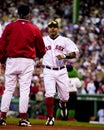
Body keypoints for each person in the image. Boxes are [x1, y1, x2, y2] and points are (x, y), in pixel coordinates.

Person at [0, 3, 45, 126]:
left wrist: (2, 61)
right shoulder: (34, 28)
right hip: (27, 61)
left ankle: (2, 117)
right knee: (24, 90)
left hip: (12, 60)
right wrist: (40, 56)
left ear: (18, 14)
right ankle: (23, 118)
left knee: (8, 89)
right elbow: (41, 47)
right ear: (28, 14)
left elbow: (2, 44)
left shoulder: (10, 27)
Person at [42, 20, 79, 125]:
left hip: (62, 70)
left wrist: (65, 56)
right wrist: (39, 59)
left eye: (55, 27)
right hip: (48, 70)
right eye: (50, 27)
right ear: (48, 29)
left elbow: (74, 54)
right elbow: (37, 52)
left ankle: (62, 105)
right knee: (49, 93)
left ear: (58, 28)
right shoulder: (43, 40)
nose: (52, 29)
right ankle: (50, 117)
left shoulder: (65, 40)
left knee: (65, 97)